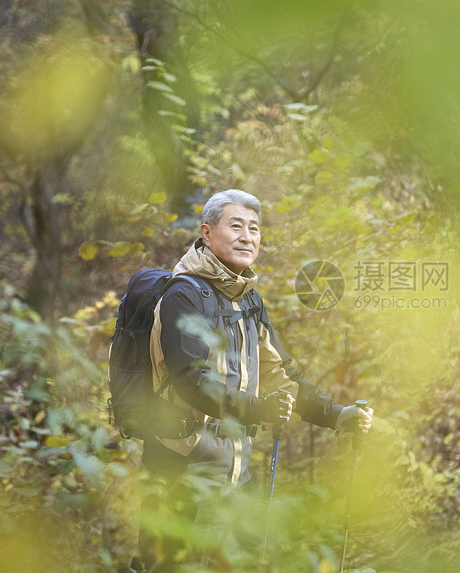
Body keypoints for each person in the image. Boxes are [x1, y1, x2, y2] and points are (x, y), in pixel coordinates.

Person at [134, 189, 373, 571]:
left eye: (255, 229)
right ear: (207, 233)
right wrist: (256, 408)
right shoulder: (184, 295)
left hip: (235, 471)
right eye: (236, 226)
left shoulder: (248, 300)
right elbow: (189, 381)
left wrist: (337, 414)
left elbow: (281, 374)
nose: (248, 236)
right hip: (181, 466)